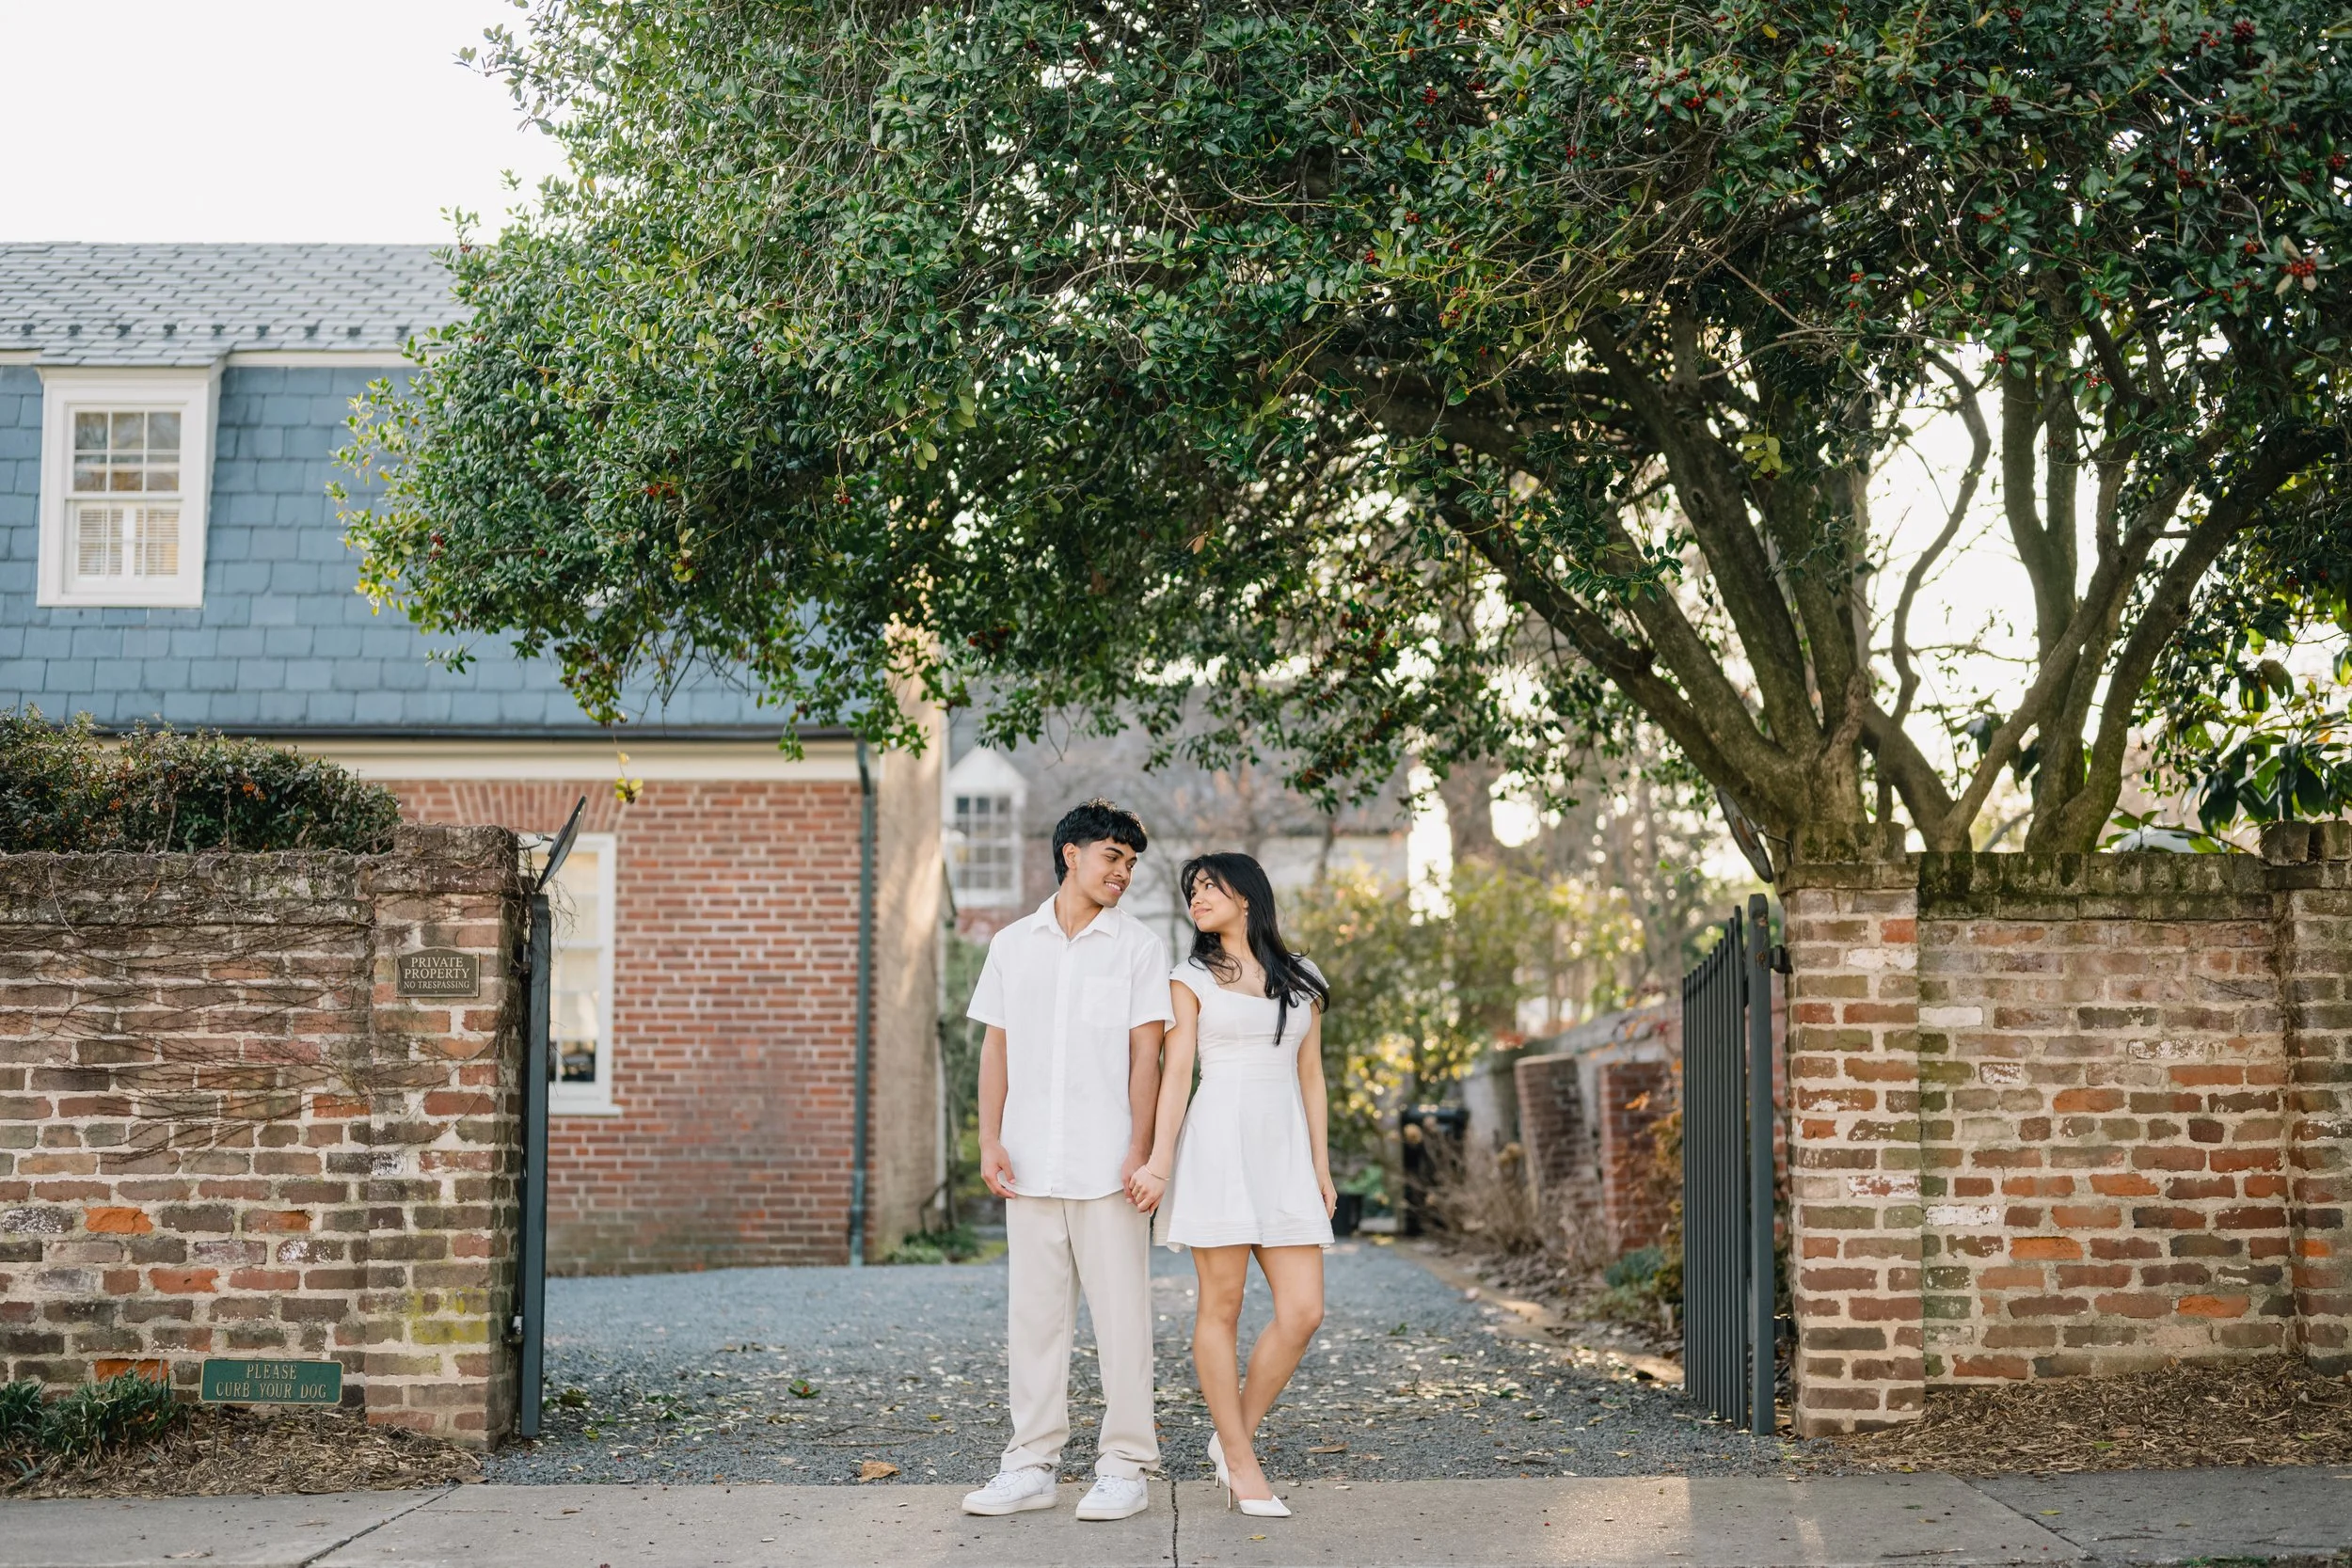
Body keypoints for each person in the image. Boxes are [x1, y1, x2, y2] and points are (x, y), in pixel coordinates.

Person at [960, 800, 1173, 1523]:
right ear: (1071, 854)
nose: (1124, 871)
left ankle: (1124, 1465)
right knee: (1035, 1322)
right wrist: (989, 1139)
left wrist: (1140, 1149)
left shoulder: (1140, 947)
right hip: (1028, 1163)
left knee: (1122, 1323)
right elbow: (997, 1048)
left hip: (1109, 1164)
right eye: (1114, 855)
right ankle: (1029, 1463)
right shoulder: (1012, 943)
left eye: (1132, 861)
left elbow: (1149, 1054)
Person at [1126, 852, 1334, 1521]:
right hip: (1218, 1143)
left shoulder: (1303, 976)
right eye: (1192, 890)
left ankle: (1230, 1436)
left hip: (1283, 1153)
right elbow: (1177, 1067)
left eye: (1209, 886)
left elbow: (1311, 1076)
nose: (1197, 897)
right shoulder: (1190, 977)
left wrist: (1321, 1168)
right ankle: (1242, 1463)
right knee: (1221, 1307)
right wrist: (1159, 1162)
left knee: (1303, 1310)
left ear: (1247, 894)